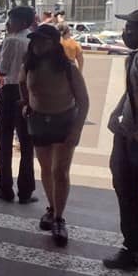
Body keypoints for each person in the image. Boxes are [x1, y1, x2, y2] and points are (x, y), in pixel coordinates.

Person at [20, 24, 89, 247]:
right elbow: (21, 82)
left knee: (60, 171)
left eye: (42, 41)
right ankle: (52, 208)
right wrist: (27, 104)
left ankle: (59, 218)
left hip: (64, 121)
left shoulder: (68, 68)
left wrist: (77, 129)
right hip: (38, 121)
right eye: (35, 41)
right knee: (46, 169)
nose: (36, 45)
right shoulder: (29, 64)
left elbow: (83, 100)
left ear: (53, 43)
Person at [103, 9, 138, 270]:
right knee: (126, 195)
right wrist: (116, 113)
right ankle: (132, 249)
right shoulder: (133, 58)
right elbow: (130, 92)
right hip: (126, 139)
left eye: (131, 29)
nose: (126, 33)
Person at [0, 6, 38, 204]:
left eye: (10, 20)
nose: (7, 24)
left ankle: (6, 188)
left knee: (4, 143)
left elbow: (2, 69)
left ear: (20, 22)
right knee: (27, 145)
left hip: (11, 91)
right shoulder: (33, 40)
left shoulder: (11, 40)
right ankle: (26, 191)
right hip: (28, 93)